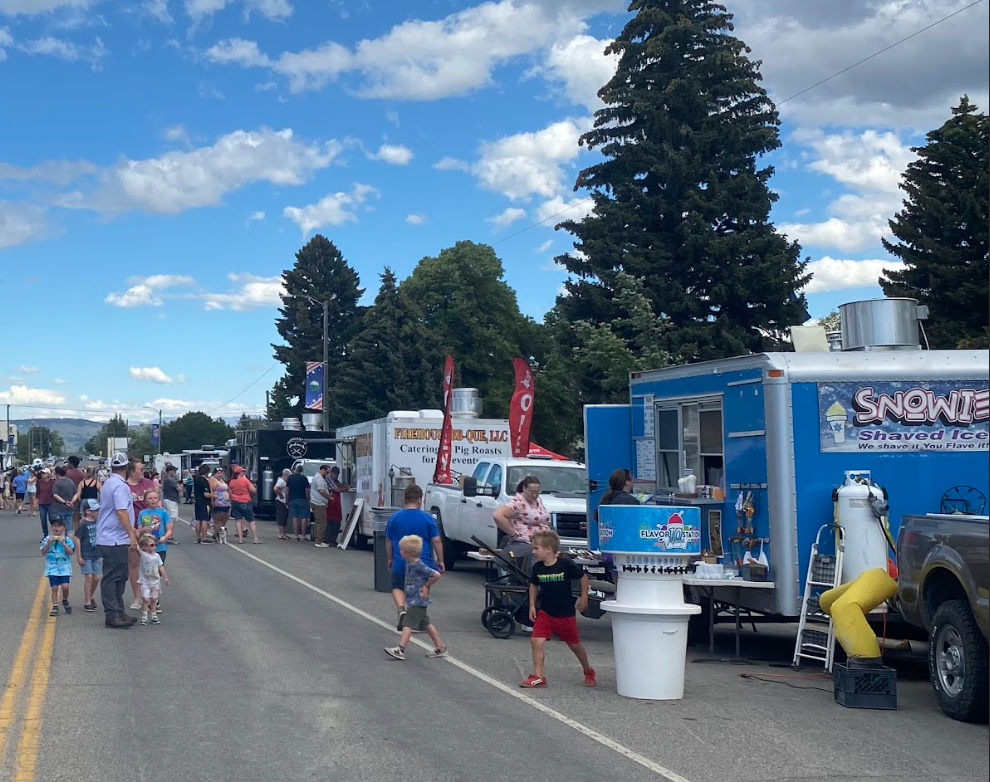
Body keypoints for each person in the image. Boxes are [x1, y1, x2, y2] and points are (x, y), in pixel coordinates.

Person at [519, 529, 595, 689]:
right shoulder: (538, 568)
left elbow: (583, 578)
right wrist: (532, 605)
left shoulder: (565, 564)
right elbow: (533, 584)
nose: (534, 552)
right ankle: (538, 676)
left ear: (548, 550)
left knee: (575, 646)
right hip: (545, 613)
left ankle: (588, 670)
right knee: (536, 641)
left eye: (536, 548)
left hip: (565, 615)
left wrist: (584, 597)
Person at [385, 484, 444, 628]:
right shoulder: (427, 518)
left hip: (401, 559)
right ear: (419, 500)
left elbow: (388, 540)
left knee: (397, 586)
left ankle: (401, 609)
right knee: (422, 587)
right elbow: (436, 540)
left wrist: (390, 558)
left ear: (405, 499)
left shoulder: (395, 517)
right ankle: (417, 619)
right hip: (422, 560)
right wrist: (440, 560)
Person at [384, 535, 448, 661]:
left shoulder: (419, 565)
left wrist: (426, 586)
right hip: (413, 599)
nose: (399, 552)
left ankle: (400, 648)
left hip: (418, 600)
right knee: (426, 623)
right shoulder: (409, 562)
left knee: (407, 623)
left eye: (401, 550)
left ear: (407, 553)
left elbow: (436, 574)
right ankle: (440, 647)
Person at [96, 453, 140, 629]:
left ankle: (118, 611)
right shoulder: (120, 486)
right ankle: (112, 614)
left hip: (112, 536)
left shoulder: (110, 483)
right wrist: (131, 533)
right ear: (127, 467)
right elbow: (121, 511)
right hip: (113, 538)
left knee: (120, 576)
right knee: (113, 577)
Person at [127, 464, 157, 608]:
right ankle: (137, 597)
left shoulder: (148, 483)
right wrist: (131, 529)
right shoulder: (125, 486)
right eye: (140, 469)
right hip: (132, 529)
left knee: (151, 562)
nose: (143, 471)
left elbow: (157, 502)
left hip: (149, 530)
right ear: (132, 471)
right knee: (133, 563)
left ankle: (152, 596)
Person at [41, 516, 76, 617]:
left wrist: (63, 543)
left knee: (65, 586)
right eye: (54, 525)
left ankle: (65, 600)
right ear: (51, 527)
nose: (56, 528)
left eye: (59, 526)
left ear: (63, 528)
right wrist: (48, 543)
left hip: (64, 568)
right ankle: (55, 606)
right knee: (55, 587)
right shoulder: (47, 539)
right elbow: (43, 552)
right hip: (52, 568)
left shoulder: (67, 539)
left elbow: (71, 552)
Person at [74, 498, 103, 612]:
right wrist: (79, 556)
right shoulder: (83, 523)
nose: (97, 512)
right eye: (95, 510)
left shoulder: (99, 522)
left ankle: (91, 596)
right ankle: (87, 601)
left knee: (96, 577)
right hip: (86, 553)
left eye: (98, 510)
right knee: (89, 577)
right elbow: (77, 539)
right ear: (87, 511)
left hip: (97, 553)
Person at [137, 533, 168, 626]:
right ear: (144, 547)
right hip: (145, 582)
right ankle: (144, 615)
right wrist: (135, 536)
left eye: (155, 545)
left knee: (154, 599)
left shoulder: (157, 556)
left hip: (155, 582)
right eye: (151, 545)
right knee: (146, 599)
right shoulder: (143, 555)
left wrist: (166, 577)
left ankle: (154, 615)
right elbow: (137, 549)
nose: (154, 547)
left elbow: (161, 566)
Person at [228, 465, 260, 544]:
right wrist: (253, 488)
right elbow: (253, 490)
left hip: (235, 501)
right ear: (240, 472)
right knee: (251, 520)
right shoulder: (244, 480)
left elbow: (230, 493)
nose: (244, 472)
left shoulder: (232, 481)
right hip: (245, 501)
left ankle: (240, 539)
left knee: (238, 520)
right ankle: (255, 539)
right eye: (243, 471)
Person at [285, 464, 311, 542]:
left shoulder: (290, 478)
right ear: (302, 470)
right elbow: (307, 490)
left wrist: (287, 500)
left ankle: (296, 536)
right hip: (302, 499)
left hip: (292, 500)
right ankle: (303, 536)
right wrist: (307, 499)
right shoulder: (304, 478)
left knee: (294, 518)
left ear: (295, 470)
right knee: (303, 518)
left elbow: (287, 490)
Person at [325, 466, 349, 545]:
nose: (336, 476)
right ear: (332, 473)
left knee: (337, 522)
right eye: (335, 474)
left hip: (336, 504)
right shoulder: (328, 479)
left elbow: (340, 485)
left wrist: (345, 486)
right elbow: (337, 489)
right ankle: (328, 539)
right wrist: (346, 488)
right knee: (331, 522)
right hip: (331, 503)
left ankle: (332, 539)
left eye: (337, 474)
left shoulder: (335, 480)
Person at [309, 464, 331, 548]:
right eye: (327, 472)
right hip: (319, 503)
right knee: (322, 523)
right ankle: (319, 541)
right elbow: (321, 490)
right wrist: (329, 497)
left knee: (318, 522)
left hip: (317, 502)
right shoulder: (319, 478)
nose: (327, 474)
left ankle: (317, 538)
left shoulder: (317, 477)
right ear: (323, 470)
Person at [50, 466, 78, 534]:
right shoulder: (70, 481)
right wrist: (72, 501)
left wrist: (65, 502)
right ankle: (70, 543)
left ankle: (60, 543)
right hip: (70, 508)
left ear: (57, 474)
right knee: (69, 528)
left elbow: (55, 495)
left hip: (58, 508)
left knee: (58, 528)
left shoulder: (57, 483)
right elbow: (76, 493)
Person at [193, 465, 214, 544]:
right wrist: (214, 496)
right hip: (204, 502)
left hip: (197, 502)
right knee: (204, 520)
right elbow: (206, 494)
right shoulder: (204, 481)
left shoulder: (196, 479)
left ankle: (198, 537)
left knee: (198, 520)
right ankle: (204, 538)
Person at [209, 468, 231, 544]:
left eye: (221, 473)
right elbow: (211, 490)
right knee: (217, 520)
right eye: (218, 473)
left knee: (224, 519)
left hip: (226, 504)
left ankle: (221, 534)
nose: (220, 475)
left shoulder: (222, 480)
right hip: (218, 503)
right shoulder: (212, 479)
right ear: (214, 473)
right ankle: (216, 535)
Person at [160, 465, 182, 530]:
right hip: (172, 499)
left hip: (166, 498)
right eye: (174, 471)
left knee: (167, 517)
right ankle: (170, 535)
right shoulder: (171, 480)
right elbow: (179, 489)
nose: (175, 472)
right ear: (170, 471)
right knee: (172, 518)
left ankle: (166, 533)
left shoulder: (165, 479)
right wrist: (181, 486)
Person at [36, 467, 55, 536]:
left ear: (48, 474)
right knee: (43, 520)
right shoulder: (40, 482)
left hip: (51, 503)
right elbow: (38, 492)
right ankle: (45, 535)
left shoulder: (53, 482)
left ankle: (55, 534)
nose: (42, 474)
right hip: (42, 503)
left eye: (44, 473)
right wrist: (36, 501)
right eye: (42, 473)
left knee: (52, 519)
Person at [273, 468, 291, 540]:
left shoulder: (283, 481)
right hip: (280, 501)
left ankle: (283, 533)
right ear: (285, 475)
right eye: (288, 476)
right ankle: (281, 534)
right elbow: (275, 488)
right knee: (281, 517)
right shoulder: (281, 481)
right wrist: (280, 495)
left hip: (284, 501)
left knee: (284, 517)